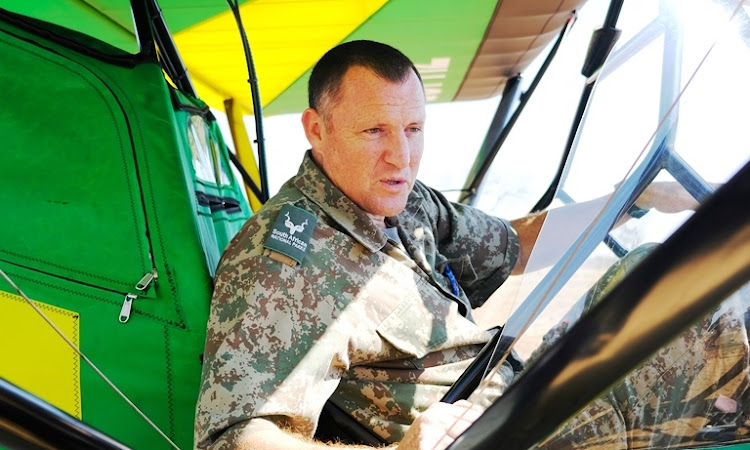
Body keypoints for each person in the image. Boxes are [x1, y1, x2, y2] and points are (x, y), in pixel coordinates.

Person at [194, 40, 739, 450]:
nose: (401, 157)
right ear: (317, 129)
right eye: (374, 132)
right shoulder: (284, 254)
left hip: (522, 393)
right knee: (709, 307)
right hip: (498, 436)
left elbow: (514, 243)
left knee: (661, 270)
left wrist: (634, 198)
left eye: (413, 129)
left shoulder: (404, 203)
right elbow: (235, 438)